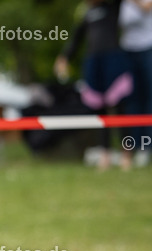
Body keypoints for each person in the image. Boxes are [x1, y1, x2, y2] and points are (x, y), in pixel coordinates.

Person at [55, 0, 133, 171]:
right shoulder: (87, 14)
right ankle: (105, 154)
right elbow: (76, 39)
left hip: (113, 61)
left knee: (120, 109)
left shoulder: (113, 6)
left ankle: (127, 154)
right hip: (93, 64)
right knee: (101, 112)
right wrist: (64, 58)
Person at [119, 0, 152, 166]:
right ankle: (140, 147)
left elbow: (148, 8)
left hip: (150, 48)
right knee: (133, 102)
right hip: (128, 50)